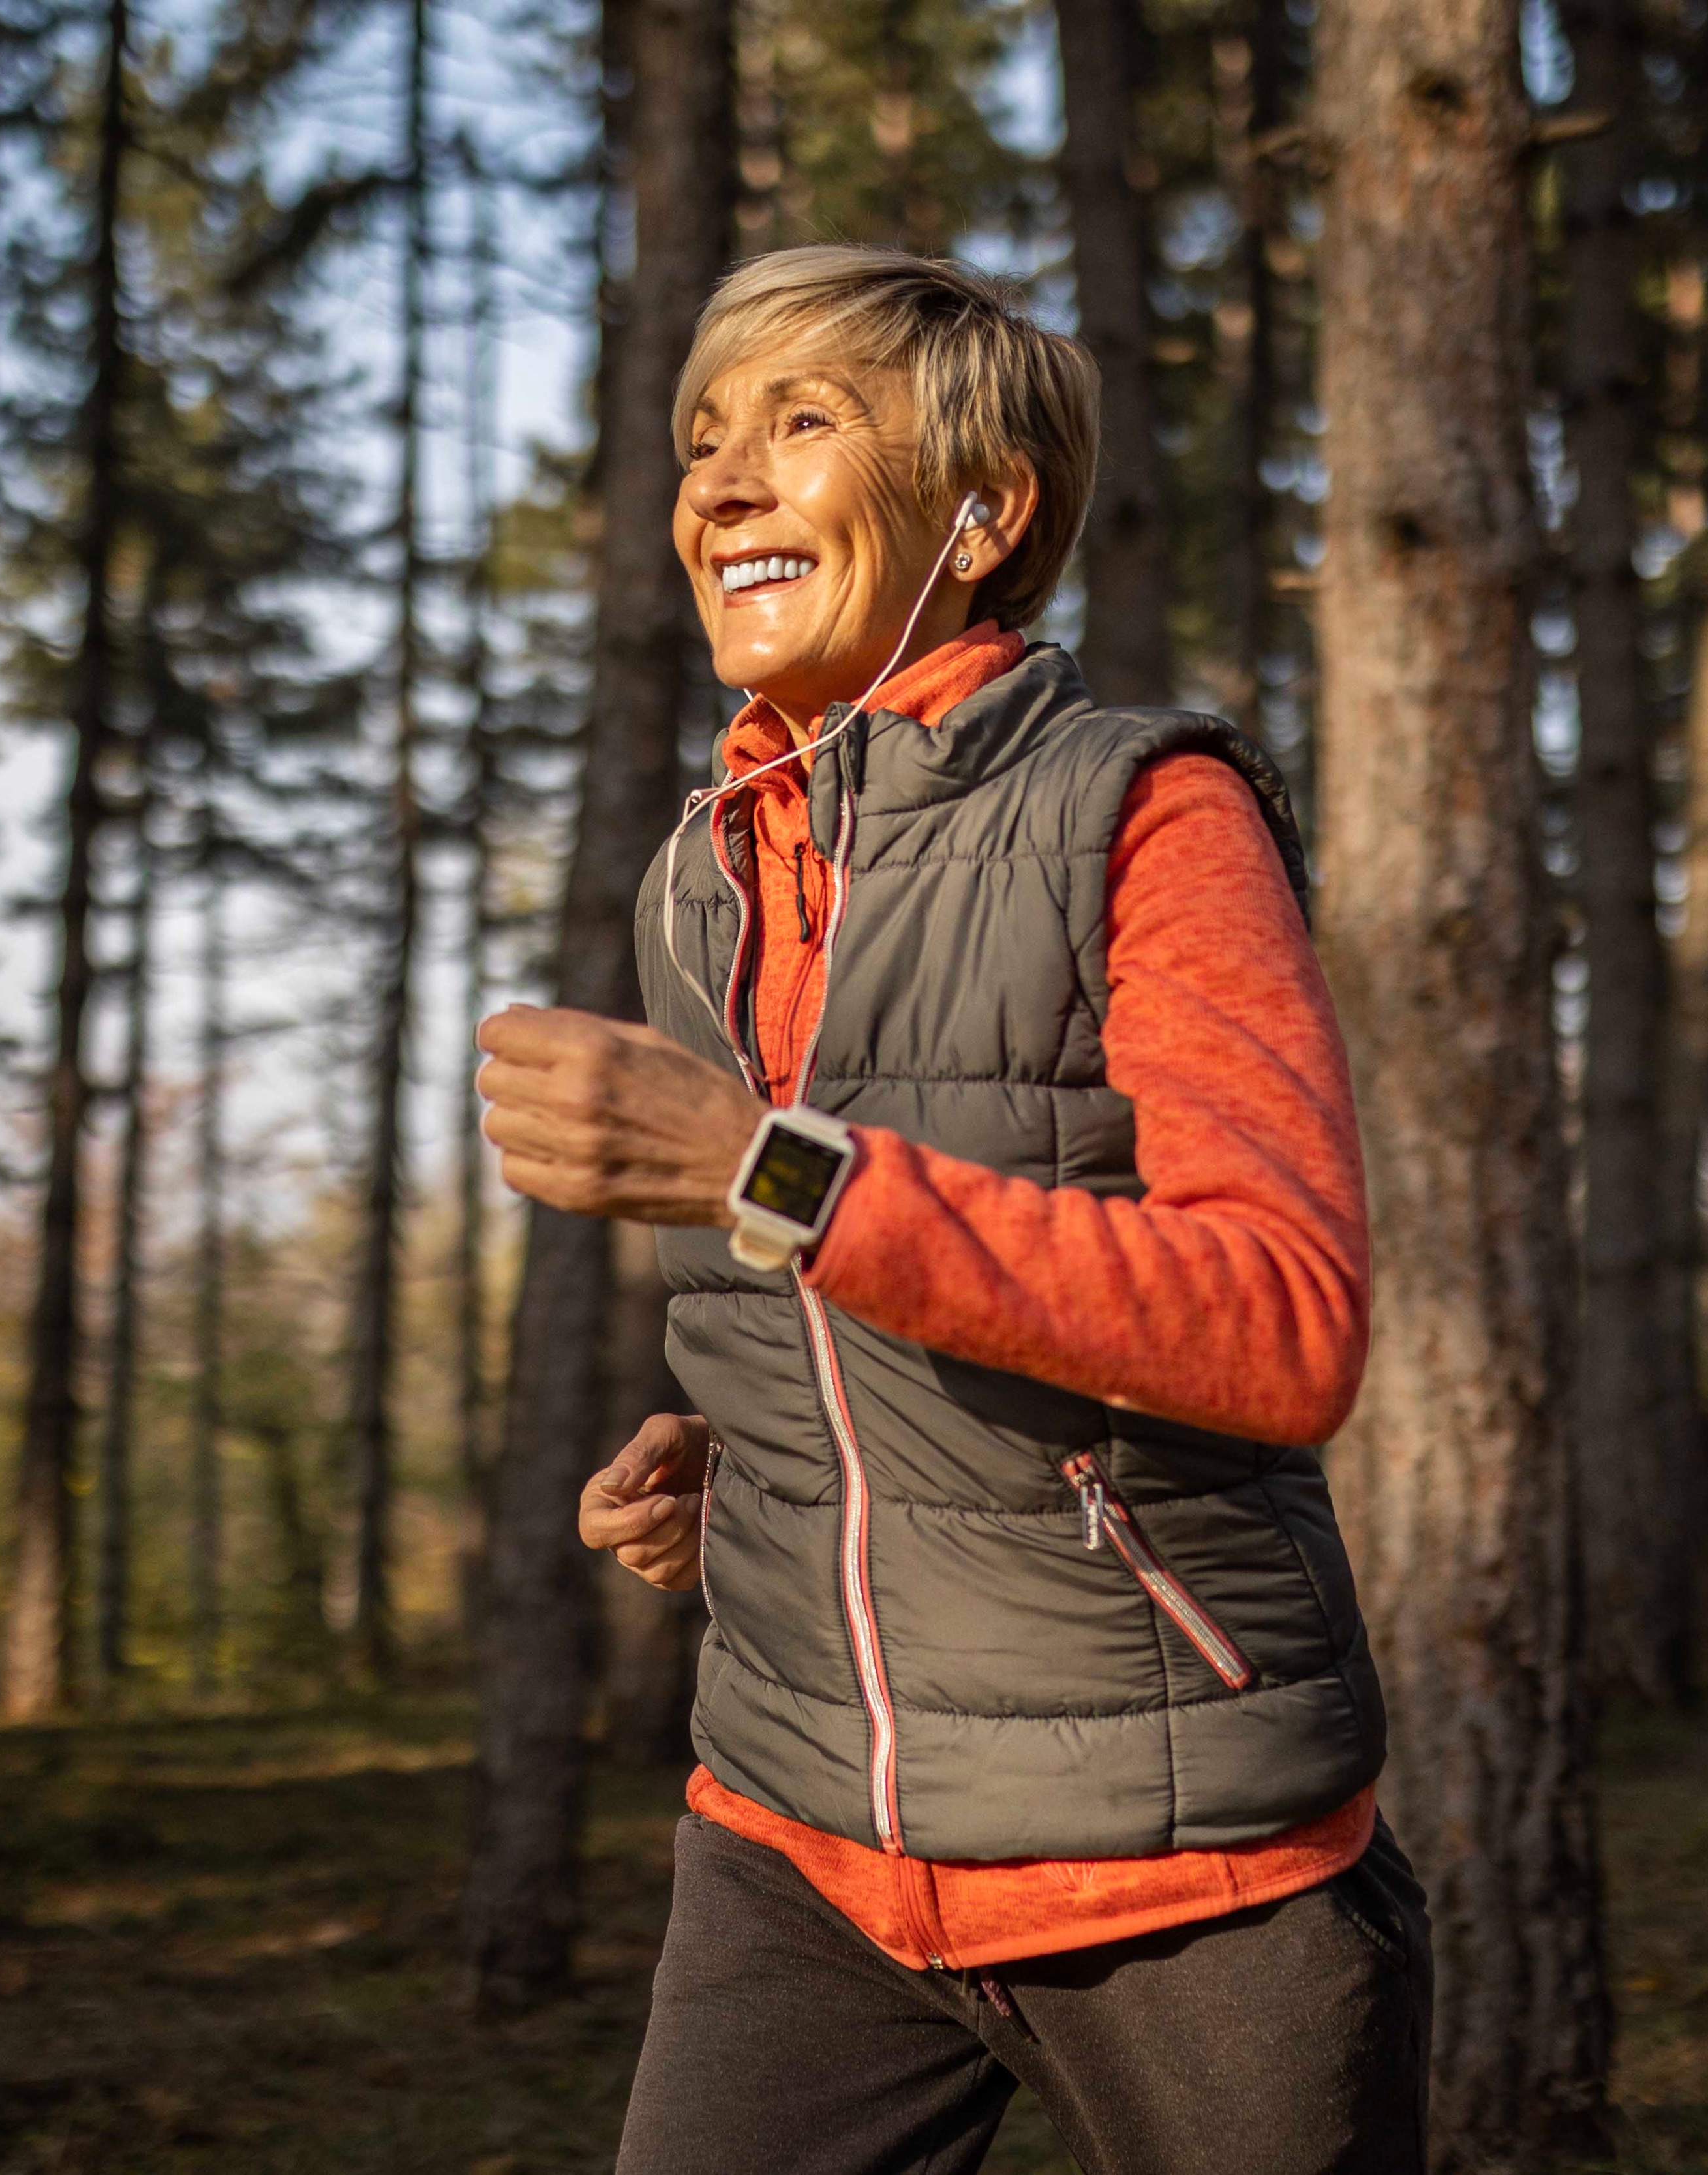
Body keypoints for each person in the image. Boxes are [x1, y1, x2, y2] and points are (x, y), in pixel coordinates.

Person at [475, 247, 1428, 2175]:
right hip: (795, 1831)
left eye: (801, 424)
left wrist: (762, 1174)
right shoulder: (707, 878)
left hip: (1179, 1866)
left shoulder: (1145, 811)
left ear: (986, 517)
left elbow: (1278, 1321)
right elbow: (885, 1299)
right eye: (700, 441)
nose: (719, 485)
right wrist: (758, 1456)